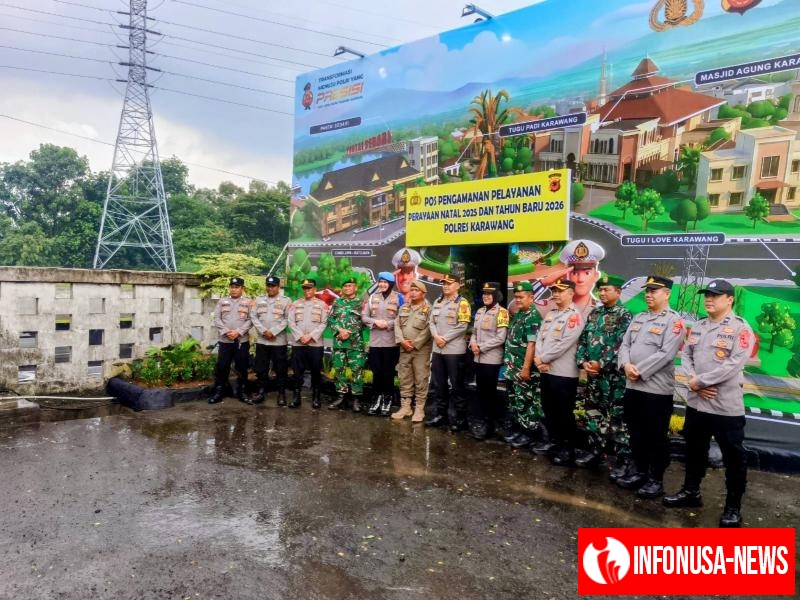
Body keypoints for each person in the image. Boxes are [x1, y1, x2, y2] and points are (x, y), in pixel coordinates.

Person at [663, 279, 753, 528]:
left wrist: (699, 382)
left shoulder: (740, 329)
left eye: (715, 295)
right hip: (697, 403)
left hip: (724, 406)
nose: (709, 299)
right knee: (694, 450)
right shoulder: (700, 326)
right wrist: (693, 380)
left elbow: (734, 364)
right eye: (707, 295)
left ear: (729, 299)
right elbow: (687, 355)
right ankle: (691, 492)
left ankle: (733, 508)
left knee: (734, 457)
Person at [616, 275, 684, 498]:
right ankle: (640, 472)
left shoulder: (674, 321)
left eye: (654, 290)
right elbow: (625, 344)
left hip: (655, 390)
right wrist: (626, 365)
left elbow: (666, 354)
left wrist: (639, 370)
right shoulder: (639, 318)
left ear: (667, 294)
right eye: (647, 290)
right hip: (633, 386)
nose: (648, 294)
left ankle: (656, 480)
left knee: (656, 436)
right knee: (636, 433)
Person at [574, 274, 633, 474]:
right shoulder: (594, 314)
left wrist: (601, 363)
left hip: (613, 378)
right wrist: (583, 362)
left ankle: (623, 457)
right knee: (593, 413)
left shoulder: (625, 315)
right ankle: (595, 451)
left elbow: (621, 344)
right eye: (600, 289)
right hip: (593, 375)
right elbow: (583, 339)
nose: (603, 292)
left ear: (618, 292)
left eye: (607, 289)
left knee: (617, 417)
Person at [534, 279, 586, 465]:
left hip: (563, 374)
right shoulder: (551, 314)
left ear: (571, 294)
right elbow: (540, 337)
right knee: (549, 408)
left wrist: (543, 358)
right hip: (546, 370)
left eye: (560, 291)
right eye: (554, 291)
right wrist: (538, 358)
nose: (555, 294)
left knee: (564, 412)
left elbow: (564, 344)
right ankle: (554, 442)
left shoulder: (574, 316)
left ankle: (568, 449)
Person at [426, 272, 471, 431]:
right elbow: (431, 321)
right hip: (438, 350)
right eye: (443, 283)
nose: (445, 286)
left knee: (457, 385)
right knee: (439, 384)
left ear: (458, 285)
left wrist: (444, 338)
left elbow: (462, 326)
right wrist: (436, 336)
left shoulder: (462, 303)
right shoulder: (438, 301)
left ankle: (460, 419)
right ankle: (441, 415)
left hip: (454, 351)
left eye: (449, 283)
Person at [503, 281, 544, 448]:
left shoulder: (533, 317)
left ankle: (529, 433)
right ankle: (520, 430)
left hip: (523, 369)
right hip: (512, 368)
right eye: (516, 297)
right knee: (515, 400)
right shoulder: (520, 314)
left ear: (531, 297)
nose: (518, 300)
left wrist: (526, 368)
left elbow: (531, 345)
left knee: (527, 401)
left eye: (521, 297)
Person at [468, 282, 509, 440]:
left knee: (489, 393)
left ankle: (489, 424)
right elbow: (474, 332)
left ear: (496, 296)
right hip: (478, 357)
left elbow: (501, 337)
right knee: (480, 391)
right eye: (484, 293)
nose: (486, 296)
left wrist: (481, 347)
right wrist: (473, 343)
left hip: (491, 359)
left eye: (489, 293)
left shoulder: (502, 312)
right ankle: (481, 421)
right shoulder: (479, 311)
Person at [362, 271, 402, 416]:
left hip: (391, 343)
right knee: (376, 372)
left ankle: (387, 400)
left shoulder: (399, 298)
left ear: (391, 284)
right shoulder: (373, 298)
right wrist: (375, 322)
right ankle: (376, 399)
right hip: (375, 343)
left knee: (388, 373)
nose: (382, 284)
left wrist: (388, 324)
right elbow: (364, 317)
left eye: (386, 282)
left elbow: (402, 318)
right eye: (381, 282)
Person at [393, 279, 433, 422]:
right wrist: (402, 341)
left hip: (420, 350)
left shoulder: (429, 309)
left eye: (417, 291)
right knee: (405, 377)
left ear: (423, 293)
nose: (413, 293)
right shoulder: (404, 307)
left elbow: (429, 328)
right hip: (404, 349)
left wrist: (415, 343)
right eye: (412, 290)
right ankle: (406, 407)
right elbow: (396, 325)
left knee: (421, 378)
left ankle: (419, 409)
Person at [535, 239, 605, 319]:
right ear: (566, 276)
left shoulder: (603, 310)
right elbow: (519, 307)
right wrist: (544, 282)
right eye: (574, 273)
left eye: (587, 273)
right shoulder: (550, 307)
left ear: (595, 276)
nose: (580, 279)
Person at [327, 275, 367, 412]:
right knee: (339, 370)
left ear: (355, 287)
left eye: (350, 286)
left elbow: (365, 321)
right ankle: (341, 396)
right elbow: (330, 319)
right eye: (345, 286)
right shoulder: (337, 303)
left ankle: (356, 399)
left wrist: (348, 332)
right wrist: (340, 330)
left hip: (355, 343)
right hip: (339, 342)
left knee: (357, 370)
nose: (347, 288)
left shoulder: (361, 303)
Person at [210, 277, 253, 404]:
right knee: (222, 367)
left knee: (242, 367)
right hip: (225, 341)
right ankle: (219, 391)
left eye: (237, 287)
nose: (234, 290)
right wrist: (226, 332)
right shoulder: (222, 301)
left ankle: (242, 392)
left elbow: (251, 320)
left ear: (242, 289)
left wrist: (238, 332)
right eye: (232, 287)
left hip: (241, 341)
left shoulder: (248, 302)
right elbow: (216, 318)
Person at [249, 275, 291, 406]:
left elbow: (288, 318)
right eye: (268, 285)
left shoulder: (286, 300)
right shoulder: (258, 299)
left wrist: (273, 332)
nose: (270, 288)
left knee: (280, 368)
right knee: (261, 368)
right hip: (262, 340)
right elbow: (253, 316)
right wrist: (263, 331)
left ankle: (281, 393)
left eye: (273, 286)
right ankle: (261, 391)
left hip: (278, 341)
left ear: (278, 287)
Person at [287, 278, 329, 409]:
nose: (307, 290)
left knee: (316, 371)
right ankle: (296, 397)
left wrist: (310, 336)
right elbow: (291, 322)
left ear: (315, 289)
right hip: (299, 344)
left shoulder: (322, 305)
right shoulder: (295, 304)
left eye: (309, 288)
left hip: (315, 344)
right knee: (297, 371)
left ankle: (316, 397)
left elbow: (324, 323)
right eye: (305, 288)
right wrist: (300, 336)